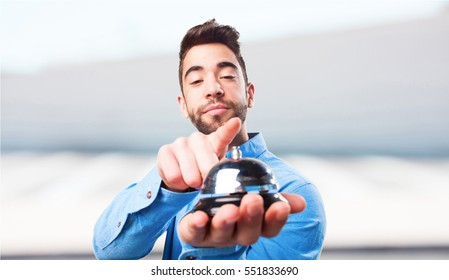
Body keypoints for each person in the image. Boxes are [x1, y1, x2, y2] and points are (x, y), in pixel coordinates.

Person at [93, 19, 326, 260]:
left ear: (250, 94)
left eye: (226, 76)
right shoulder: (176, 177)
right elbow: (108, 253)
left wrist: (213, 248)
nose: (213, 88)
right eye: (196, 81)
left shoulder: (293, 193)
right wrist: (167, 189)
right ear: (183, 106)